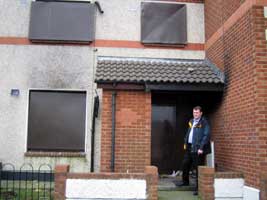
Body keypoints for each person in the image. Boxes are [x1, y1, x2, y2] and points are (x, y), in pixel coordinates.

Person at [176, 106, 211, 196]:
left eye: (197, 112)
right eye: (194, 112)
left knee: (198, 169)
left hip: (198, 149)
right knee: (185, 164)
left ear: (201, 113)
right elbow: (189, 132)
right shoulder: (191, 121)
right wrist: (185, 141)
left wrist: (201, 148)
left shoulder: (204, 122)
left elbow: (206, 135)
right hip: (190, 147)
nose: (195, 114)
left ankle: (199, 188)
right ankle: (185, 181)